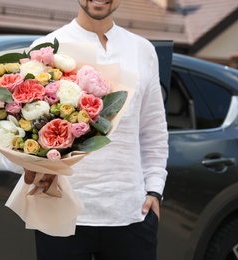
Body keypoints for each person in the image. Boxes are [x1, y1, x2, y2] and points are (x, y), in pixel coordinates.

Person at [25, 0, 169, 259]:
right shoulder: (46, 49)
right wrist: (31, 170)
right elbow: (20, 130)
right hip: (61, 212)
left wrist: (155, 191)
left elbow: (153, 129)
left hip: (131, 213)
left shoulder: (142, 50)